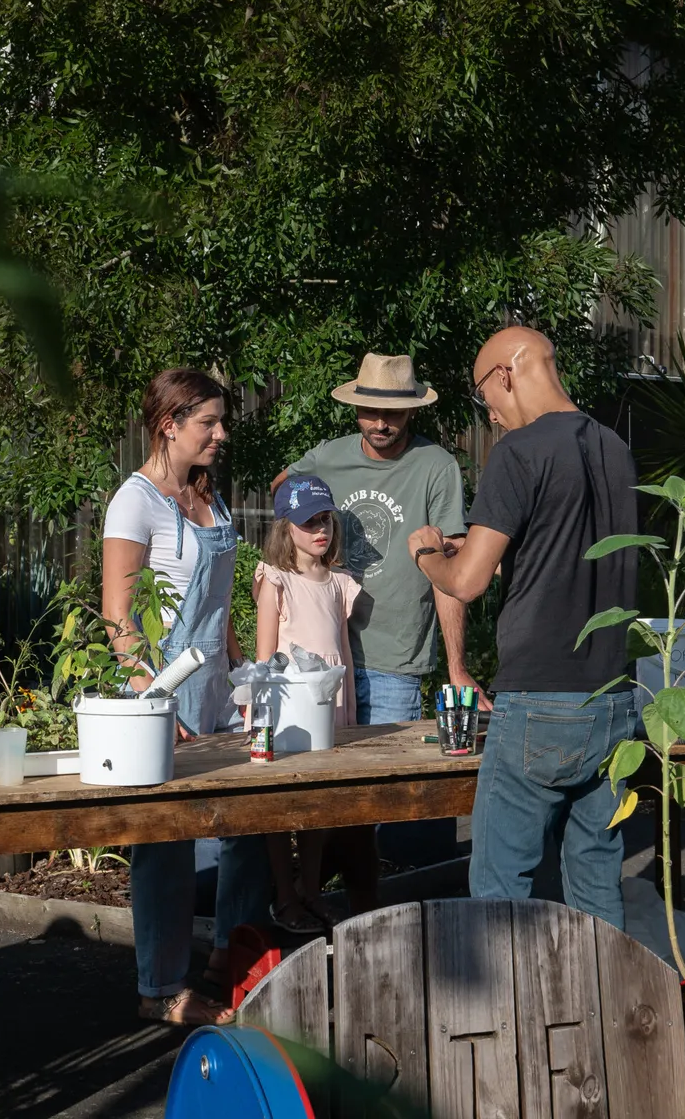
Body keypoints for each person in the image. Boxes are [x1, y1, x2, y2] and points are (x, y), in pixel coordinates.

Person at [407, 327, 640, 928]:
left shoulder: (518, 451)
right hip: (613, 699)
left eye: (486, 396)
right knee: (594, 880)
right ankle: (604, 1015)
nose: (490, 412)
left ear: (506, 374)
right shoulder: (614, 445)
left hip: (540, 700)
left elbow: (468, 582)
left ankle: (506, 1023)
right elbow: (563, 547)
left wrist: (430, 553)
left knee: (499, 890)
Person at [102, 368, 269, 1025]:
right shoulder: (134, 503)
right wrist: (152, 702)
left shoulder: (209, 497)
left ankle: (232, 955)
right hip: (162, 694)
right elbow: (119, 619)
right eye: (210, 423)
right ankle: (162, 990)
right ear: (169, 425)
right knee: (165, 844)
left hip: (219, 693)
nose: (221, 434)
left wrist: (244, 673)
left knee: (251, 820)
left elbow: (218, 603)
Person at [274, 352, 485, 723]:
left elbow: (449, 568)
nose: (380, 423)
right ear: (355, 407)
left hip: (393, 659)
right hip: (318, 652)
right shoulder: (328, 457)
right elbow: (283, 490)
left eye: (394, 413)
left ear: (412, 411)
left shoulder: (436, 466)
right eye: (370, 411)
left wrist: (457, 666)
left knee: (383, 774)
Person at [249, 474, 361, 934]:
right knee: (280, 805)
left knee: (319, 805)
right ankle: (284, 895)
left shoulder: (338, 582)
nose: (320, 529)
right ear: (284, 526)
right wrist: (258, 716)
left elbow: (343, 652)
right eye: (308, 521)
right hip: (287, 709)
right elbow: (264, 656)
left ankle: (311, 891)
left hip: (328, 705)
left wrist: (349, 707)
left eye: (326, 520)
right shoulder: (276, 580)